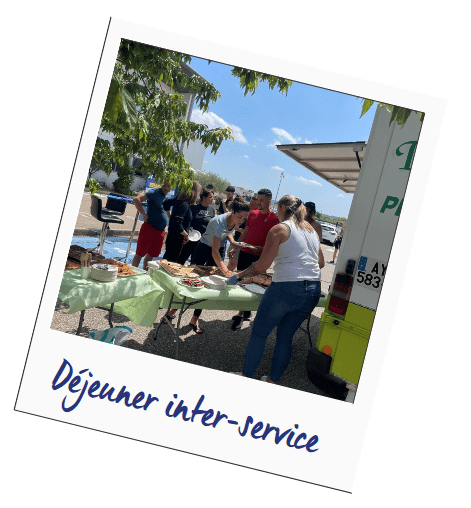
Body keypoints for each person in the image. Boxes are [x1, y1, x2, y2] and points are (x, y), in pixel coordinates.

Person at [228, 194, 324, 383]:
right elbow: (320, 262)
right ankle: (272, 381)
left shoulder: (280, 228)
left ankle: (246, 376)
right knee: (285, 337)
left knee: (259, 333)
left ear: (281, 208)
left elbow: (261, 267)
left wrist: (238, 276)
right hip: (312, 289)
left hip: (287, 288)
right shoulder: (311, 230)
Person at [164, 196, 250, 334]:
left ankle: (194, 318)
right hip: (204, 248)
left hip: (218, 248)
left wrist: (233, 243)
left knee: (210, 285)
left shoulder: (234, 219)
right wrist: (225, 270)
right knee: (191, 280)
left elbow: (229, 233)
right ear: (232, 212)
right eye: (239, 217)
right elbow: (214, 252)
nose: (241, 221)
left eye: (244, 218)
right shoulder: (219, 222)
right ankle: (172, 311)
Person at [229, 188, 279, 329]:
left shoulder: (274, 219)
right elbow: (246, 231)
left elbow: (272, 242)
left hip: (259, 258)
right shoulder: (252, 214)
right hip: (245, 252)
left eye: (262, 200)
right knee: (242, 282)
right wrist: (236, 246)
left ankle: (240, 314)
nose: (259, 202)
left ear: (269, 201)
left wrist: (263, 250)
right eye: (258, 199)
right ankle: (245, 311)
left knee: (252, 284)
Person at [132, 179, 172, 270]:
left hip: (160, 231)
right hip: (149, 228)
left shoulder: (166, 197)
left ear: (171, 187)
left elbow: (166, 209)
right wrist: (143, 214)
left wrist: (171, 219)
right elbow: (136, 199)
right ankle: (132, 272)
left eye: (168, 186)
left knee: (151, 256)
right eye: (164, 185)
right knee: (139, 254)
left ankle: (145, 274)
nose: (166, 187)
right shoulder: (154, 193)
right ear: (161, 184)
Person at [162, 180, 201, 263]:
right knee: (170, 264)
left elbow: (166, 204)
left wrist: (171, 218)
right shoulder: (184, 203)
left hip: (174, 237)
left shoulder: (180, 200)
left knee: (168, 261)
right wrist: (186, 235)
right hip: (176, 240)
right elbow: (177, 222)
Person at [176, 188, 215, 265]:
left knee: (195, 264)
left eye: (213, 197)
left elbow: (212, 224)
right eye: (210, 197)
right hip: (190, 239)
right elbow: (185, 221)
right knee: (180, 261)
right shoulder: (194, 207)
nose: (212, 199)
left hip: (202, 241)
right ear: (203, 197)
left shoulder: (212, 209)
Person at [227, 196, 259, 272]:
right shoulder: (244, 213)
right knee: (232, 265)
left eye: (253, 204)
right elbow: (232, 225)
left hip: (245, 245)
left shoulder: (254, 217)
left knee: (235, 266)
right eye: (250, 204)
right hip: (236, 240)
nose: (251, 206)